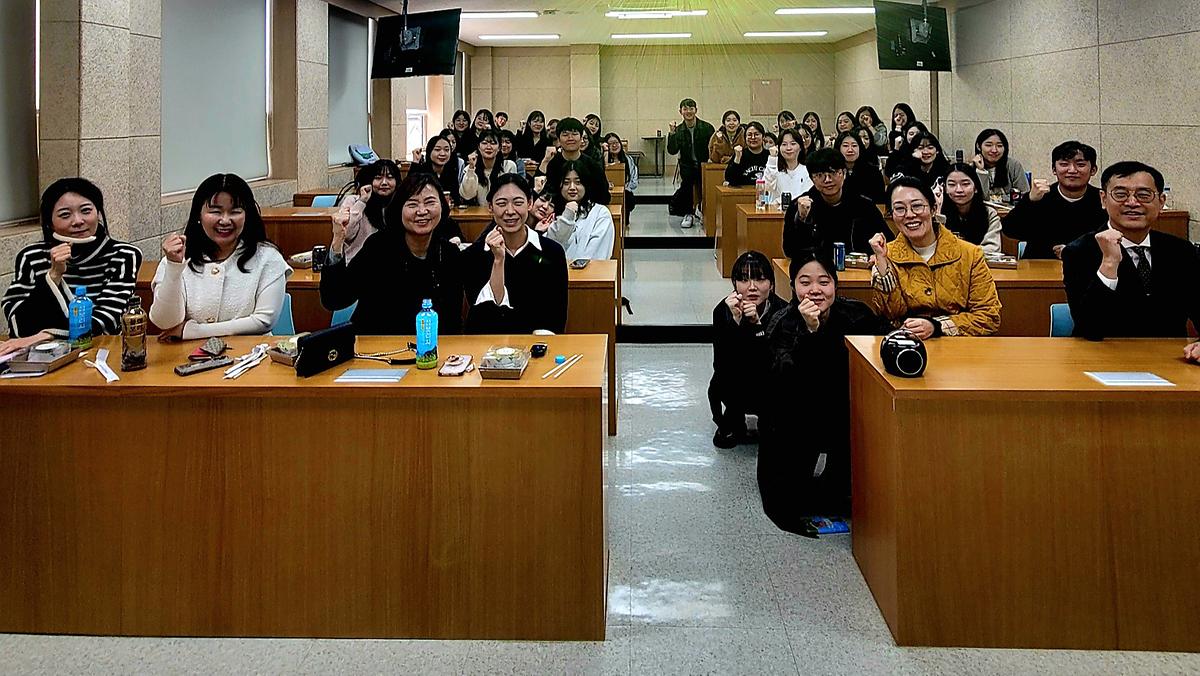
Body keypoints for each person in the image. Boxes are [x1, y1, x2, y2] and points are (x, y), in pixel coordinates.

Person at [758, 250, 892, 532]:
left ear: (835, 284)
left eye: (824, 281)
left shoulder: (856, 314)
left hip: (845, 406)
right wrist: (810, 331)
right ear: (793, 286)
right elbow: (783, 380)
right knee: (793, 497)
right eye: (805, 282)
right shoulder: (783, 322)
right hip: (796, 413)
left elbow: (883, 340)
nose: (815, 290)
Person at [1061, 161, 1200, 348]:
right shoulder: (1079, 251)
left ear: (1161, 201)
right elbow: (1090, 327)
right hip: (1102, 357)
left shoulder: (1181, 251)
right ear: (1103, 199)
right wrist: (1109, 263)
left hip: (1169, 357)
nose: (1132, 203)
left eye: (1144, 195)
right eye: (1120, 195)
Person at [0, 178, 142, 353]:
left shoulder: (123, 255)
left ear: (98, 213)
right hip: (38, 355)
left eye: (86, 211)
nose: (78, 221)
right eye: (65, 215)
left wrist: (46, 335)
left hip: (100, 351)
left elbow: (107, 320)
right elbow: (17, 322)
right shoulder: (31, 256)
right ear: (50, 222)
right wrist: (53, 276)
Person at [148, 173, 291, 340]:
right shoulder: (178, 258)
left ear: (247, 215)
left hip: (251, 353)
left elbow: (263, 321)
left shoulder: (268, 258)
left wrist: (193, 331)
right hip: (186, 354)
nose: (225, 220)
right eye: (215, 211)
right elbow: (164, 322)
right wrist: (174, 267)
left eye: (235, 211)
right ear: (199, 215)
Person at [319, 173, 465, 335]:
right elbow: (334, 298)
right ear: (399, 209)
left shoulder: (449, 254)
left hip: (430, 347)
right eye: (412, 204)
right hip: (376, 344)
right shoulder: (378, 247)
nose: (422, 211)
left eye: (430, 202)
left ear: (443, 206)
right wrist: (338, 239)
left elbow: (452, 322)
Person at [869, 176, 1002, 337]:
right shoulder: (885, 254)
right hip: (906, 344)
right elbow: (886, 316)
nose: (909, 215)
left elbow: (988, 316)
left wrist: (937, 326)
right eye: (899, 209)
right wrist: (883, 266)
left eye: (917, 206)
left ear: (933, 209)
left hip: (959, 345)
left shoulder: (970, 254)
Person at [463, 174, 568, 334]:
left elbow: (556, 317)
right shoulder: (473, 256)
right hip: (487, 345)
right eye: (501, 204)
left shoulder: (552, 252)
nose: (510, 211)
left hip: (538, 344)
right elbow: (484, 317)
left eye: (518, 203)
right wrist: (498, 261)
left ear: (530, 203)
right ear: (490, 207)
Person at [708, 251, 788, 449]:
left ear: (771, 284)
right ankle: (732, 418)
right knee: (722, 381)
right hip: (736, 380)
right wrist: (735, 323)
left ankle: (769, 419)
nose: (752, 287)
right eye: (744, 280)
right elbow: (721, 364)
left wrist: (757, 327)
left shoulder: (783, 312)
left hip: (770, 383)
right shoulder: (723, 311)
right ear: (734, 284)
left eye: (760, 279)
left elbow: (776, 365)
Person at [1002, 141, 1106, 260]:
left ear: (1093, 170)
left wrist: (1073, 251)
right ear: (1054, 169)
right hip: (1040, 265)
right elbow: (1010, 230)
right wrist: (1029, 201)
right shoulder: (1040, 197)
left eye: (1080, 165)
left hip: (1089, 266)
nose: (1072, 170)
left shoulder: (1103, 199)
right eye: (1064, 164)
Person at [783, 148, 889, 256]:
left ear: (844, 173)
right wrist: (801, 219)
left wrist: (875, 255)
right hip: (816, 265)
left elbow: (888, 240)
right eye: (820, 175)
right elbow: (789, 251)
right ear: (812, 179)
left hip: (858, 265)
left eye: (833, 173)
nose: (827, 180)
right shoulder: (800, 206)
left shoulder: (864, 205)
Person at [328, 159, 401, 264]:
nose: (384, 182)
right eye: (378, 178)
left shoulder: (402, 204)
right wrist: (362, 202)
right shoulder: (353, 201)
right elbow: (347, 235)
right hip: (356, 264)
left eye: (390, 177)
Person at [545, 161, 615, 261]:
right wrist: (567, 216)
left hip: (590, 269)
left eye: (578, 182)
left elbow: (598, 254)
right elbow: (549, 247)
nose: (572, 188)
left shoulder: (600, 213)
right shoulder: (551, 211)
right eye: (566, 183)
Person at [666, 98, 715, 228]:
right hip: (687, 166)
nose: (688, 111)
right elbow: (672, 150)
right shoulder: (679, 130)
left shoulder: (707, 127)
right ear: (680, 111)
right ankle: (689, 214)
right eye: (685, 109)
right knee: (687, 188)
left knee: (706, 188)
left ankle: (704, 212)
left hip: (704, 165)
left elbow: (713, 147)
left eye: (691, 108)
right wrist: (672, 133)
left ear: (696, 110)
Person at [541, 117, 610, 207]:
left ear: (581, 138)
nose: (570, 138)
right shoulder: (553, 165)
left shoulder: (592, 165)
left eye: (574, 134)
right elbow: (549, 194)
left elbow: (604, 195)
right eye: (565, 134)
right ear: (559, 139)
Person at [942, 163, 1002, 254]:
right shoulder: (938, 213)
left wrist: (958, 251)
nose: (959, 190)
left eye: (965, 184)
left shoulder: (989, 213)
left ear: (975, 188)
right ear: (945, 189)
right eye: (952, 185)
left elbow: (993, 248)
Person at [459, 130, 518, 207]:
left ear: (499, 148)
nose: (489, 147)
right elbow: (467, 195)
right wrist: (471, 168)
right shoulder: (470, 169)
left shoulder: (509, 166)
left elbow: (511, 193)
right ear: (479, 147)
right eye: (484, 143)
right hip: (479, 212)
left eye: (493, 143)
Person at [413, 133, 467, 208]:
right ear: (429, 151)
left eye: (446, 150)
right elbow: (410, 191)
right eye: (437, 150)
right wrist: (415, 162)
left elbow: (456, 199)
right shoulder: (422, 171)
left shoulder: (451, 171)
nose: (442, 153)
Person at [762, 128, 813, 207]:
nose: (788, 148)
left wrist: (782, 201)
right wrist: (772, 159)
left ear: (800, 147)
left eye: (793, 144)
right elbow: (765, 188)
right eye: (784, 144)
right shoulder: (774, 169)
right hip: (775, 212)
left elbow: (808, 197)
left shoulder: (807, 171)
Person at [973, 128, 1030, 196]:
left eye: (999, 146)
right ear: (978, 146)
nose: (994, 150)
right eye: (988, 145)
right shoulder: (971, 168)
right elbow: (980, 197)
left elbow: (1024, 195)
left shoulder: (1013, 165)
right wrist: (981, 171)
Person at [836, 131, 885, 204]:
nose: (850, 150)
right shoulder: (833, 172)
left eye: (854, 145)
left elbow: (880, 200)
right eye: (845, 146)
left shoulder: (873, 172)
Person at [723, 121, 770, 187]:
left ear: (763, 137)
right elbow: (729, 179)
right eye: (749, 135)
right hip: (743, 192)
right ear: (745, 138)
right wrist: (737, 159)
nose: (753, 138)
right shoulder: (739, 154)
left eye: (756, 134)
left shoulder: (769, 155)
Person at [602, 132, 639, 213]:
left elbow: (634, 177)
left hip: (625, 190)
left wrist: (626, 188)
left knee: (628, 199)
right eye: (610, 144)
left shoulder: (628, 159)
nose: (614, 145)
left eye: (616, 142)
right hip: (607, 190)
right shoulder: (603, 159)